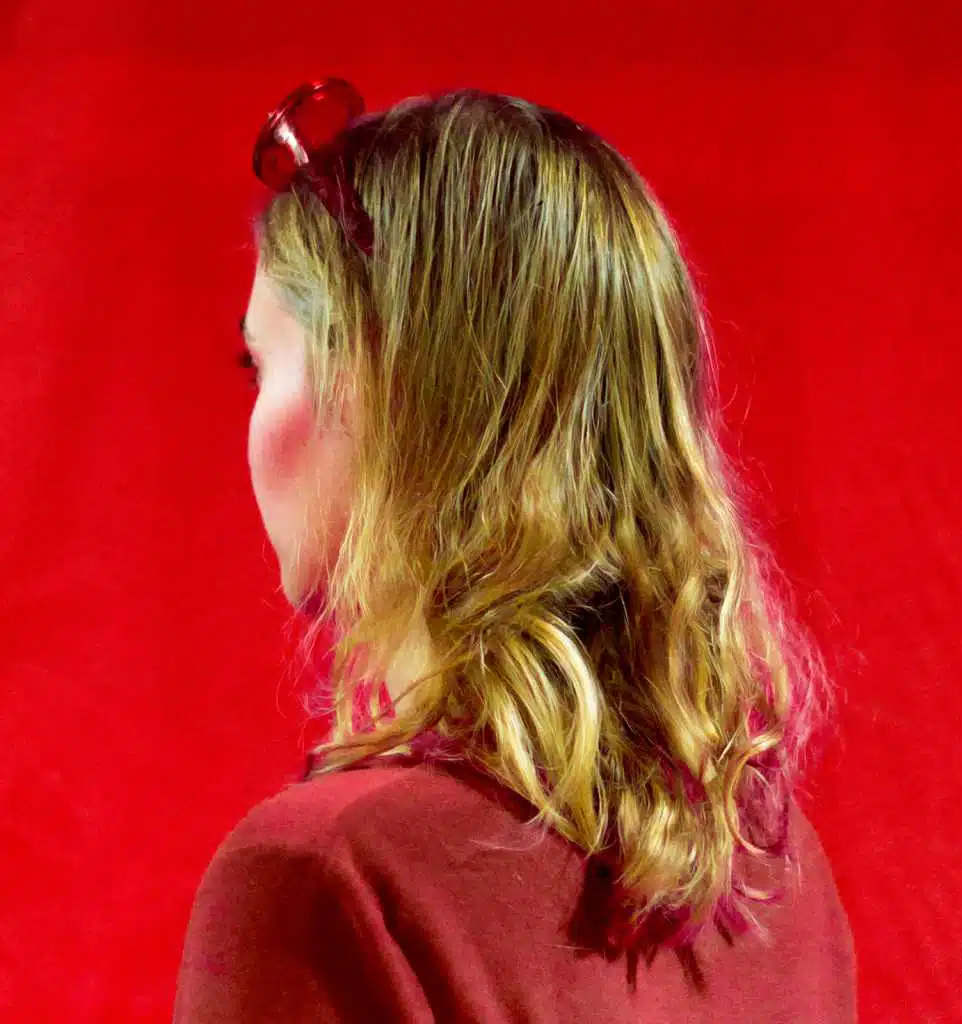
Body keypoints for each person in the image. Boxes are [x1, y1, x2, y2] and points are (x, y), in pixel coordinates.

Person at [173, 78, 855, 1022]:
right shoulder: (775, 874)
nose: (250, 427)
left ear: (383, 383)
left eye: (259, 362)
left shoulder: (323, 879)